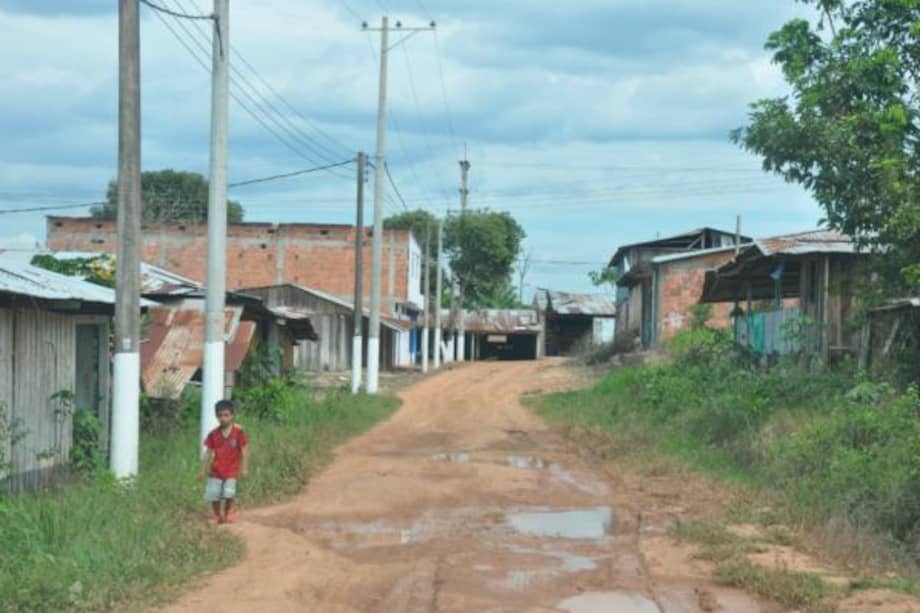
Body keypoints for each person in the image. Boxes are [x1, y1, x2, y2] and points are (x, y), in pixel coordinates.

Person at [200, 399, 248, 525]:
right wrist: (202, 470)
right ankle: (217, 515)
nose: (223, 418)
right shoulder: (213, 434)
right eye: (220, 415)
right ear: (216, 416)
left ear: (232, 415)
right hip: (216, 470)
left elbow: (244, 451)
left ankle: (228, 513)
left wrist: (244, 468)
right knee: (213, 494)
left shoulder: (239, 432)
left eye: (226, 415)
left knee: (229, 493)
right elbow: (208, 453)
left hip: (231, 470)